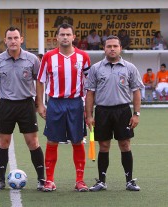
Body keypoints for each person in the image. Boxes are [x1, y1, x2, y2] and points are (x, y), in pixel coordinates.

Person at [0, 27, 45, 191]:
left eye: (16, 38)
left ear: (21, 39)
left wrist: (39, 102)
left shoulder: (32, 59)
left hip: (26, 104)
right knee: (3, 142)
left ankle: (41, 179)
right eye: (9, 38)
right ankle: (0, 180)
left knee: (33, 142)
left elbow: (39, 81)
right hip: (6, 105)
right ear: (5, 40)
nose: (13, 41)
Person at [85, 35, 144, 192]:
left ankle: (129, 181)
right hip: (103, 111)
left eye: (115, 46)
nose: (112, 49)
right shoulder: (96, 68)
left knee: (125, 145)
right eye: (108, 46)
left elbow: (136, 91)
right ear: (104, 48)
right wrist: (89, 115)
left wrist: (136, 113)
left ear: (120, 48)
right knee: (103, 146)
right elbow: (90, 93)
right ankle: (101, 181)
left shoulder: (129, 67)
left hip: (123, 111)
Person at [36, 23, 91, 192]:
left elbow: (90, 85)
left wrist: (88, 112)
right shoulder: (48, 57)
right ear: (57, 37)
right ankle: (50, 180)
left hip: (75, 103)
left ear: (74, 37)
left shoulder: (83, 57)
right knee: (52, 140)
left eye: (68, 34)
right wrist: (40, 104)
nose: (65, 37)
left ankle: (80, 181)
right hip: (55, 103)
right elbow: (40, 81)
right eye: (62, 34)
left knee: (77, 140)